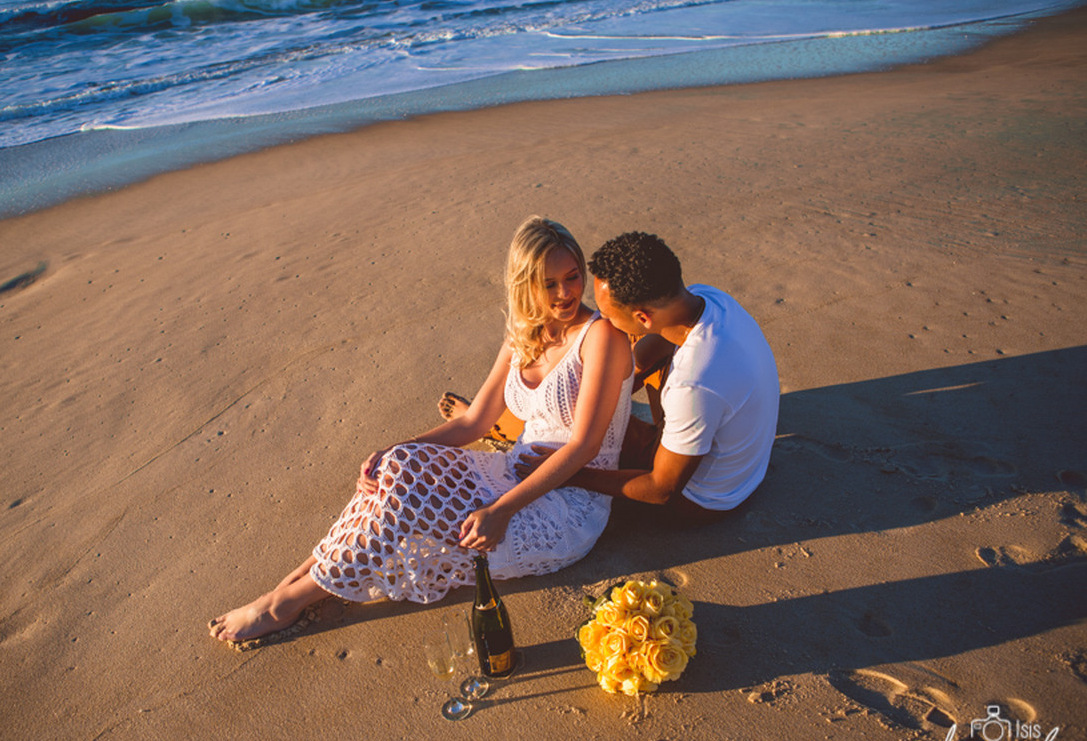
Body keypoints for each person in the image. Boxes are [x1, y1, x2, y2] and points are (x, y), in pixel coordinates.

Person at [209, 216, 633, 644]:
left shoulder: (599, 337)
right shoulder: (523, 335)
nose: (565, 293)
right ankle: (299, 580)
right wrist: (392, 450)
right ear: (524, 285)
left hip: (566, 504)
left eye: (572, 277)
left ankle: (285, 602)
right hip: (510, 472)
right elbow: (474, 421)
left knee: (406, 504)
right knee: (396, 468)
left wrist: (501, 511)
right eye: (548, 284)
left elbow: (584, 445)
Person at [521, 231, 779, 523]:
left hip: (701, 499)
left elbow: (661, 489)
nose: (602, 321)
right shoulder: (707, 298)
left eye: (607, 314)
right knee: (582, 406)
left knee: (562, 429)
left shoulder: (693, 384)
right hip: (745, 470)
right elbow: (644, 359)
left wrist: (570, 474)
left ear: (643, 317)